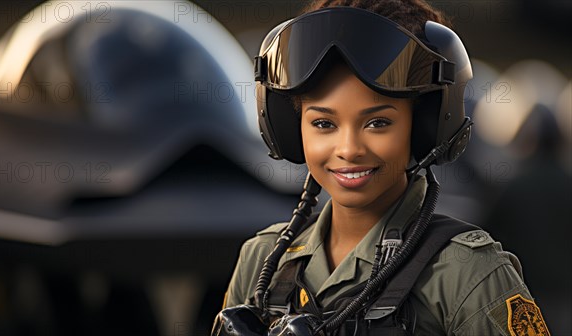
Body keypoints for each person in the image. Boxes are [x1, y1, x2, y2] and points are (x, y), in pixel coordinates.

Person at [212, 1, 551, 335]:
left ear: (423, 128)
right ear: (290, 129)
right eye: (324, 124)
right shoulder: (262, 260)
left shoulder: (467, 272)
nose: (349, 149)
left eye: (377, 122)